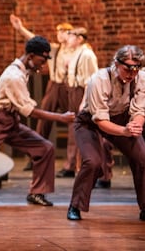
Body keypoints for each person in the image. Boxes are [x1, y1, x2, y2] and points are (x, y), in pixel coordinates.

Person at [0, 36, 75, 207]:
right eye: (41, 61)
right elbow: (30, 111)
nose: (42, 66)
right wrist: (61, 117)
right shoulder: (13, 76)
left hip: (11, 121)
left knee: (45, 148)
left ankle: (37, 192)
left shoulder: (23, 71)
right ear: (30, 57)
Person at [65, 45, 145, 222]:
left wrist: (135, 126)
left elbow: (140, 111)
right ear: (116, 64)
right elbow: (100, 120)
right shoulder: (99, 79)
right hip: (91, 121)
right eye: (127, 69)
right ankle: (76, 206)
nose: (131, 74)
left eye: (136, 69)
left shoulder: (140, 79)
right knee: (93, 162)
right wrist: (124, 131)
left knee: (143, 159)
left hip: (121, 118)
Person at [10, 16, 74, 170]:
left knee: (73, 121)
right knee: (43, 120)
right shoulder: (54, 49)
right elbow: (35, 40)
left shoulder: (76, 52)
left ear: (70, 34)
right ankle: (35, 157)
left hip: (68, 87)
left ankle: (71, 165)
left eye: (63, 31)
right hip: (53, 85)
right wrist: (20, 28)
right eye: (58, 32)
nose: (60, 34)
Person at [57, 27, 99, 179]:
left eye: (72, 35)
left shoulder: (87, 54)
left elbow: (91, 79)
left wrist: (84, 101)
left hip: (81, 92)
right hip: (73, 91)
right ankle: (71, 164)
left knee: (81, 129)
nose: (68, 38)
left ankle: (81, 167)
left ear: (80, 38)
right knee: (73, 129)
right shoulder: (76, 53)